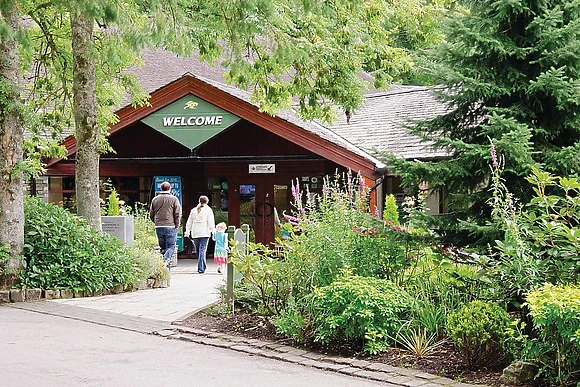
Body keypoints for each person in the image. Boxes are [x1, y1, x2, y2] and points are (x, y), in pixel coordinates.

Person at [149, 181, 181, 269]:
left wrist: (156, 222)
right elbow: (177, 213)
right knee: (171, 246)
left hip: (159, 226)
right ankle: (165, 262)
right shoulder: (174, 199)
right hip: (170, 225)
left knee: (162, 247)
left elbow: (151, 213)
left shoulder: (155, 199)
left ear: (161, 188)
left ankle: (166, 268)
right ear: (170, 188)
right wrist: (177, 224)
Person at [185, 195, 215, 274]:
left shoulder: (193, 210)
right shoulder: (208, 210)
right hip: (204, 232)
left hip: (195, 232)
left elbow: (189, 222)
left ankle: (202, 266)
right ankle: (201, 268)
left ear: (199, 201)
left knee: (198, 250)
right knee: (202, 250)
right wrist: (213, 231)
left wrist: (187, 232)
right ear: (207, 201)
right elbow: (211, 222)